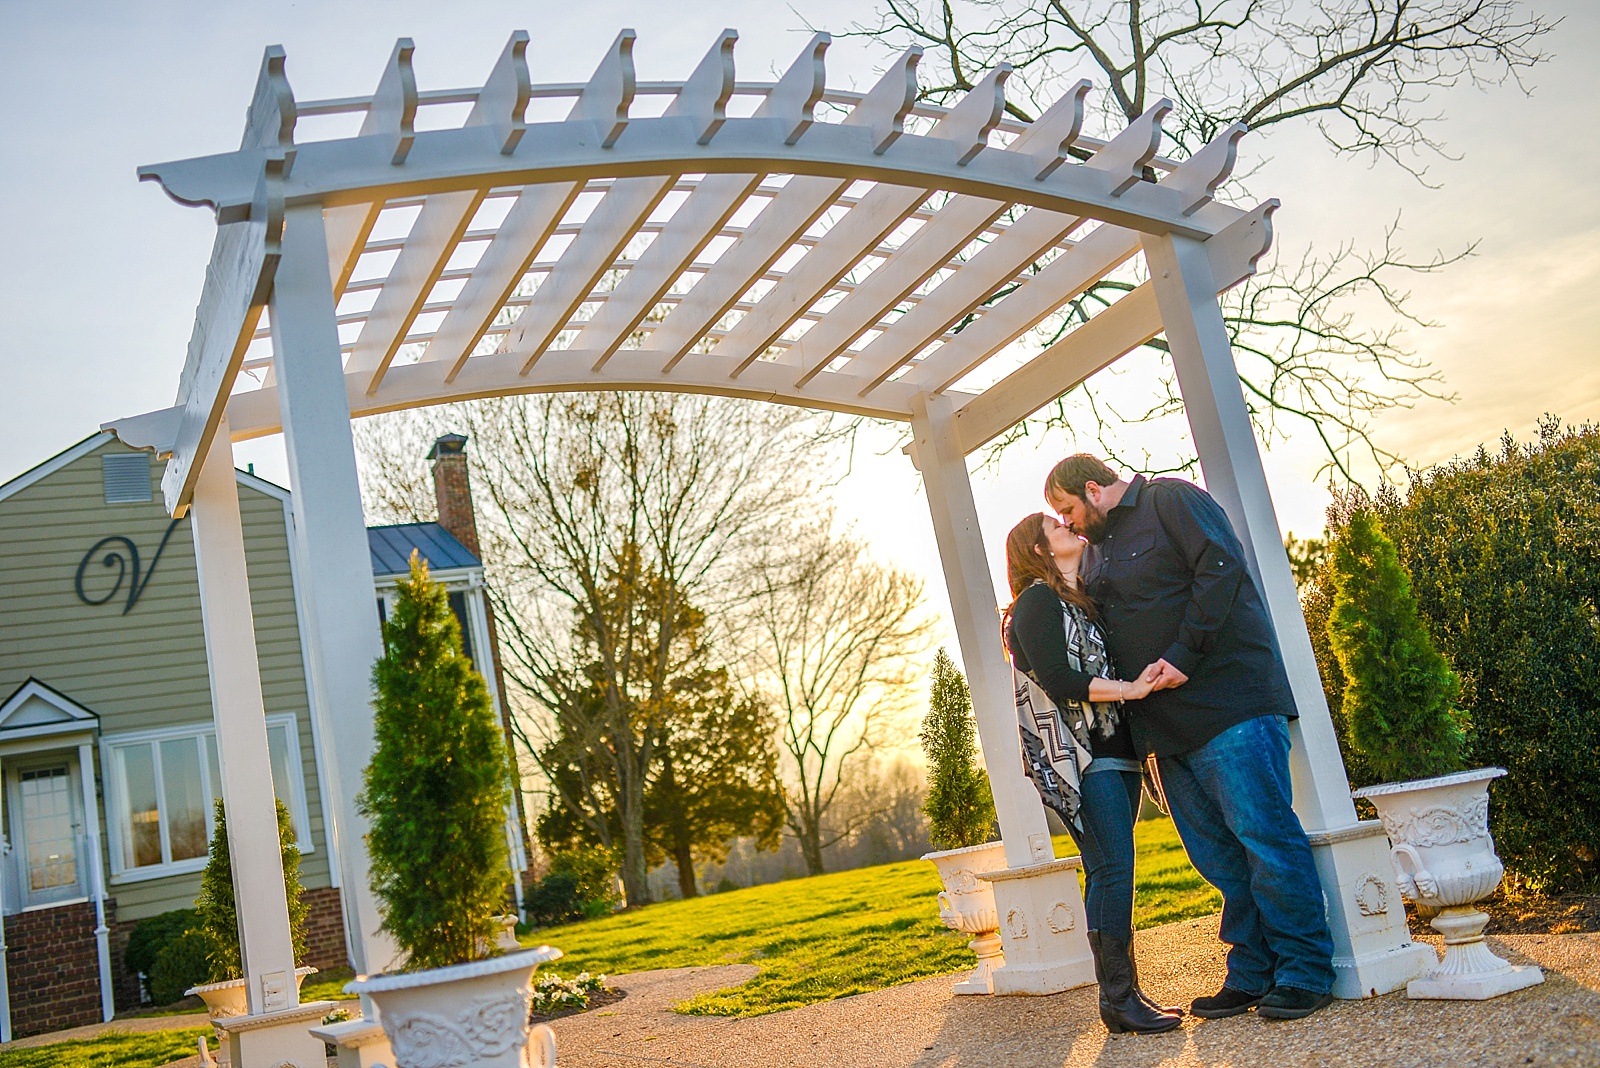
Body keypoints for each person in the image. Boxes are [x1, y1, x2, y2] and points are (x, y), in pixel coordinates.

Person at [1043, 453, 1337, 1022]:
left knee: (1266, 839)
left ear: (1094, 488)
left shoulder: (1171, 501)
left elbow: (1221, 568)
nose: (1069, 523)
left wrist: (1183, 654)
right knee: (1218, 859)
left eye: (1067, 509)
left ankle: (1305, 970)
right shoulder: (1097, 549)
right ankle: (1253, 972)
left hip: (1230, 706)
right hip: (1166, 733)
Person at [1002, 512, 1180, 1035]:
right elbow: (1059, 677)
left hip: (1118, 754)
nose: (1068, 528)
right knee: (1110, 870)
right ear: (1038, 550)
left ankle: (1127, 993)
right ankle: (1118, 999)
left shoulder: (1084, 603)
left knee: (1113, 870)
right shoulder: (1035, 602)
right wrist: (1129, 689)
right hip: (1083, 759)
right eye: (1056, 528)